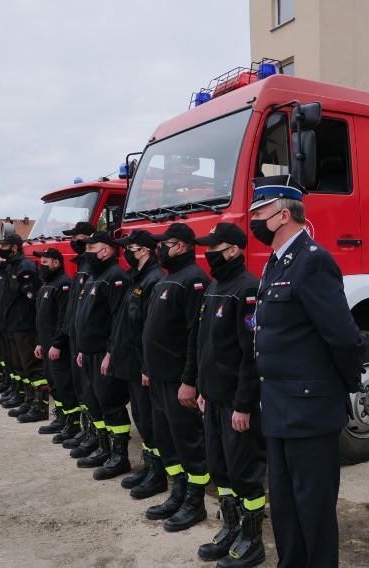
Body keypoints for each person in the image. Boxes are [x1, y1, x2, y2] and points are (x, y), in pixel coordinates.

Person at [248, 175, 365, 568]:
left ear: (283, 214)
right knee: (283, 508)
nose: (254, 220)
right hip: (279, 410)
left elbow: (345, 339)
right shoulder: (275, 264)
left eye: (259, 212)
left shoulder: (313, 261)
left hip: (311, 412)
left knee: (313, 512)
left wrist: (339, 389)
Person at [194, 223, 267, 567]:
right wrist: (202, 389)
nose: (208, 253)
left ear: (234, 250)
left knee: (244, 472)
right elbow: (204, 345)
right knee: (219, 469)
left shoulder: (248, 289)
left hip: (236, 405)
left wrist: (243, 404)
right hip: (213, 399)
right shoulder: (214, 287)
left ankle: (253, 539)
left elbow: (250, 355)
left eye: (215, 247)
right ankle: (231, 526)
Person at [141, 222, 211, 532]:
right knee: (166, 439)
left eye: (164, 244)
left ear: (180, 246)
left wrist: (189, 380)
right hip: (158, 378)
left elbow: (196, 336)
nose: (159, 249)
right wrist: (148, 368)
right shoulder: (169, 280)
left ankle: (195, 503)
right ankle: (178, 493)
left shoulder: (194, 280)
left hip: (177, 381)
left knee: (188, 442)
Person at [110, 230, 167, 498]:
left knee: (149, 420)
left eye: (130, 248)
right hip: (131, 361)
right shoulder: (137, 277)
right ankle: (149, 466)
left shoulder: (154, 280)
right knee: (141, 419)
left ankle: (157, 474)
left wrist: (147, 365)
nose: (126, 253)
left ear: (144, 250)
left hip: (142, 365)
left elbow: (150, 329)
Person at [73, 231, 132, 479]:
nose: (87, 252)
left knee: (111, 403)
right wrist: (82, 349)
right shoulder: (95, 276)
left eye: (92, 247)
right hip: (88, 353)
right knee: (95, 402)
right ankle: (103, 447)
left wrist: (110, 352)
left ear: (106, 250)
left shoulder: (115, 277)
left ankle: (120, 457)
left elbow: (119, 319)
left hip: (104, 354)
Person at [0, 234, 46, 421]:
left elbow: (34, 299)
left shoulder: (26, 267)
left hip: (24, 326)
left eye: (5, 245)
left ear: (15, 247)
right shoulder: (11, 266)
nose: (2, 248)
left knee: (32, 366)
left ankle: (40, 406)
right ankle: (29, 399)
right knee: (20, 366)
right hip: (12, 326)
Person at [55, 221, 96, 447]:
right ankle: (86, 429)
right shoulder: (82, 266)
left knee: (89, 390)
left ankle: (92, 434)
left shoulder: (91, 267)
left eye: (77, 236)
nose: (73, 241)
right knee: (80, 388)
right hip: (75, 337)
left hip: (86, 341)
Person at [28, 248, 77, 429]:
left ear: (56, 263)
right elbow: (42, 318)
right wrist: (40, 342)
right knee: (55, 385)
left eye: (46, 262)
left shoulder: (64, 284)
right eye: (41, 263)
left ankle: (72, 423)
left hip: (58, 348)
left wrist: (57, 344)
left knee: (64, 385)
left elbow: (64, 318)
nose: (42, 266)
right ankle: (61, 418)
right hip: (47, 345)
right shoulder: (46, 285)